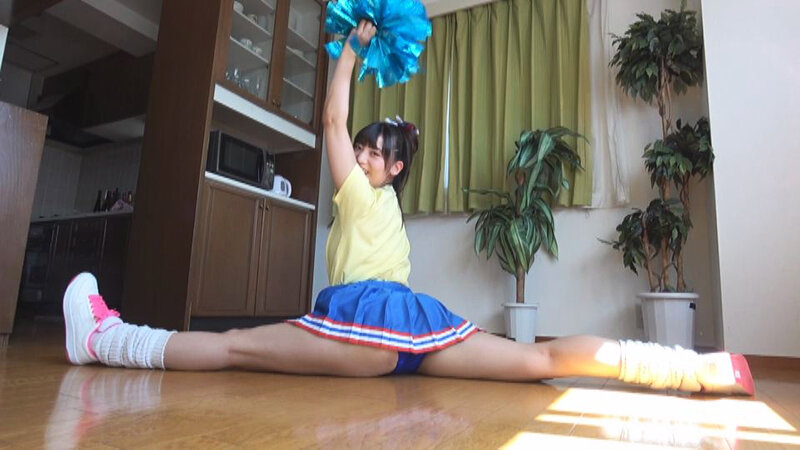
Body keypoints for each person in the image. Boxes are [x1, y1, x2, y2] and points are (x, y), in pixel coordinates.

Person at [62, 21, 753, 395]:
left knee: (235, 345)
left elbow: (331, 122)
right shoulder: (380, 202)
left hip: (367, 322)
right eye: (362, 148)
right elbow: (342, 131)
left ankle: (102, 340)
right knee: (532, 361)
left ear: (394, 169)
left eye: (374, 151)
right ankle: (696, 368)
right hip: (414, 332)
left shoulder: (363, 193)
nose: (360, 154)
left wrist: (349, 51)